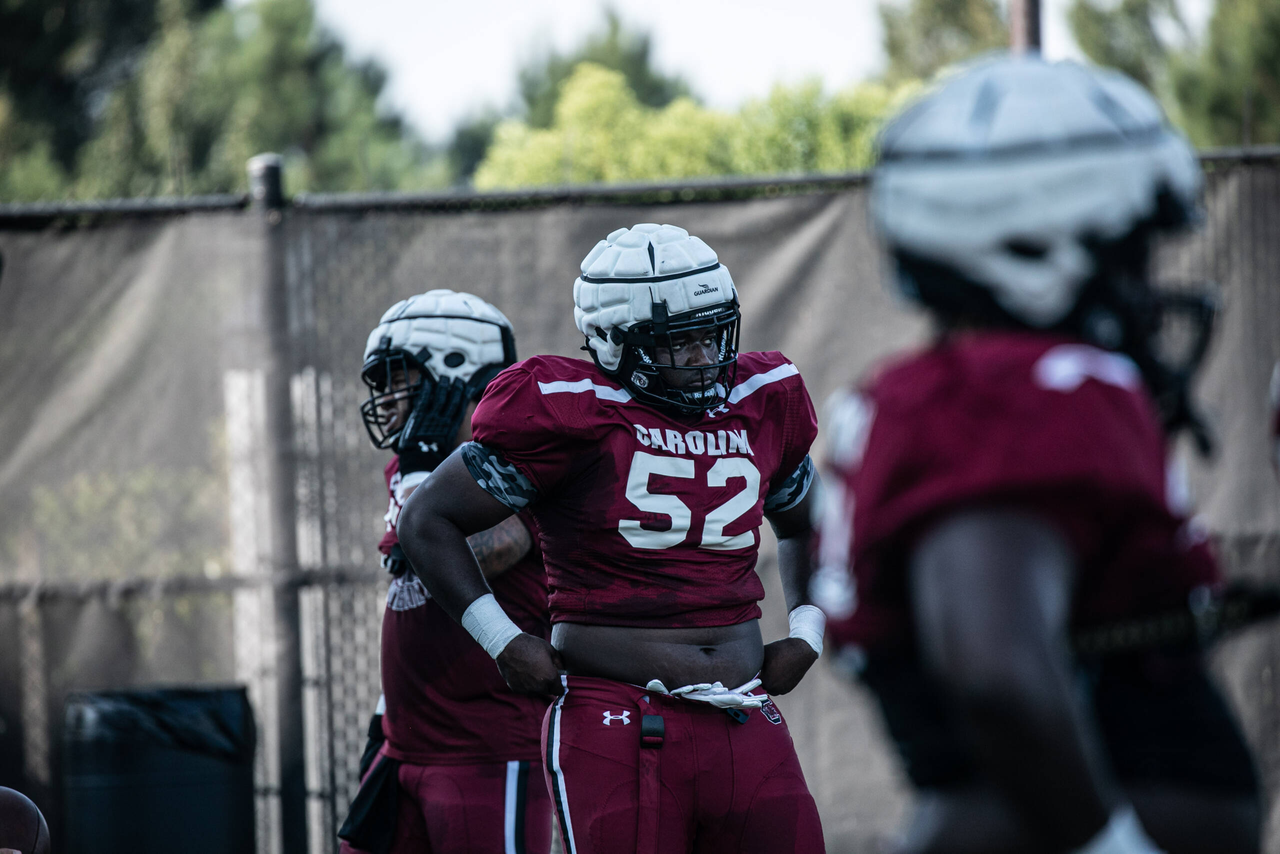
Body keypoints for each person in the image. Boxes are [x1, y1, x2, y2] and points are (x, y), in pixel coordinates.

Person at [819, 55, 1260, 854]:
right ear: (1034, 248)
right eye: (1131, 253)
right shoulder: (1016, 395)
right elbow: (995, 670)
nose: (1148, 284)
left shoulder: (947, 395)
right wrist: (1106, 845)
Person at [397, 223, 827, 854]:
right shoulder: (568, 405)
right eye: (679, 342)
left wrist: (808, 627)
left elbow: (806, 522)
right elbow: (425, 521)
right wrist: (503, 641)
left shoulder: (762, 399)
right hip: (616, 715)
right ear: (612, 341)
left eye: (713, 333)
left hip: (743, 707)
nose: (704, 355)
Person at [338, 289, 553, 854]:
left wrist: (420, 478)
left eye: (397, 377)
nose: (384, 397)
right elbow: (401, 560)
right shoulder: (414, 468)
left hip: (485, 749)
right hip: (403, 743)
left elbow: (473, 550)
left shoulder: (517, 459)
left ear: (454, 373)